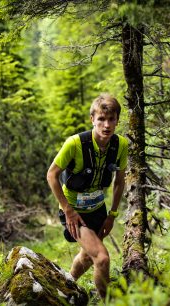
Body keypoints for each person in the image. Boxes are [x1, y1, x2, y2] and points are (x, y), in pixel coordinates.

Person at [47, 93, 128, 299]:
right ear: (92, 119)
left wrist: (112, 214)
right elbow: (52, 175)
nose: (106, 125)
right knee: (101, 258)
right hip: (75, 212)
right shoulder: (74, 143)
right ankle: (108, 301)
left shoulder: (121, 145)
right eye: (101, 119)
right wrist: (67, 209)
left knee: (87, 256)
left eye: (111, 119)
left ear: (118, 120)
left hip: (98, 211)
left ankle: (66, 287)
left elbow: (119, 181)